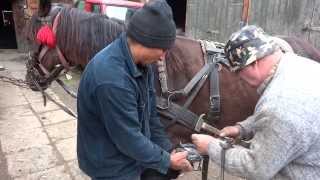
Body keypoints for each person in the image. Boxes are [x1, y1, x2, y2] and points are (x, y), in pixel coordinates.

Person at [77, 0, 192, 179]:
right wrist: (167, 161)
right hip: (111, 165)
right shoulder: (112, 79)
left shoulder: (142, 65)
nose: (163, 57)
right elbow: (128, 139)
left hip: (130, 154)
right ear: (147, 42)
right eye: (163, 50)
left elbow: (151, 117)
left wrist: (169, 150)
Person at [191, 25, 320, 180]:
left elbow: (256, 167)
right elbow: (286, 119)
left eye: (238, 71)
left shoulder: (279, 104)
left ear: (254, 63)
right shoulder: (300, 66)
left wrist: (211, 147)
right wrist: (242, 128)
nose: (239, 78)